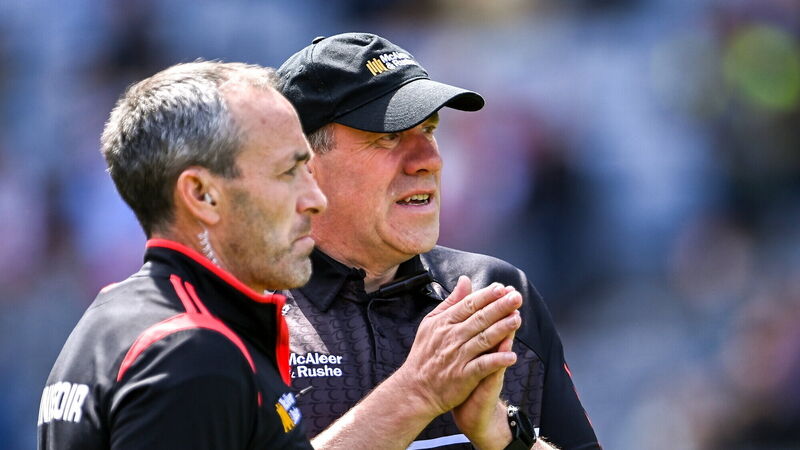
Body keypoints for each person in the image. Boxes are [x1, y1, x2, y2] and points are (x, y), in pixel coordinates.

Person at [37, 61, 522, 450]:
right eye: (289, 173)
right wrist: (418, 392)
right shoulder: (191, 354)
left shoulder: (111, 317)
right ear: (202, 195)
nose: (313, 199)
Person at [276, 33, 601, 450]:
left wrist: (505, 437)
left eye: (429, 130)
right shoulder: (242, 312)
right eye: (389, 136)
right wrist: (415, 394)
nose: (429, 160)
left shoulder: (495, 296)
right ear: (305, 164)